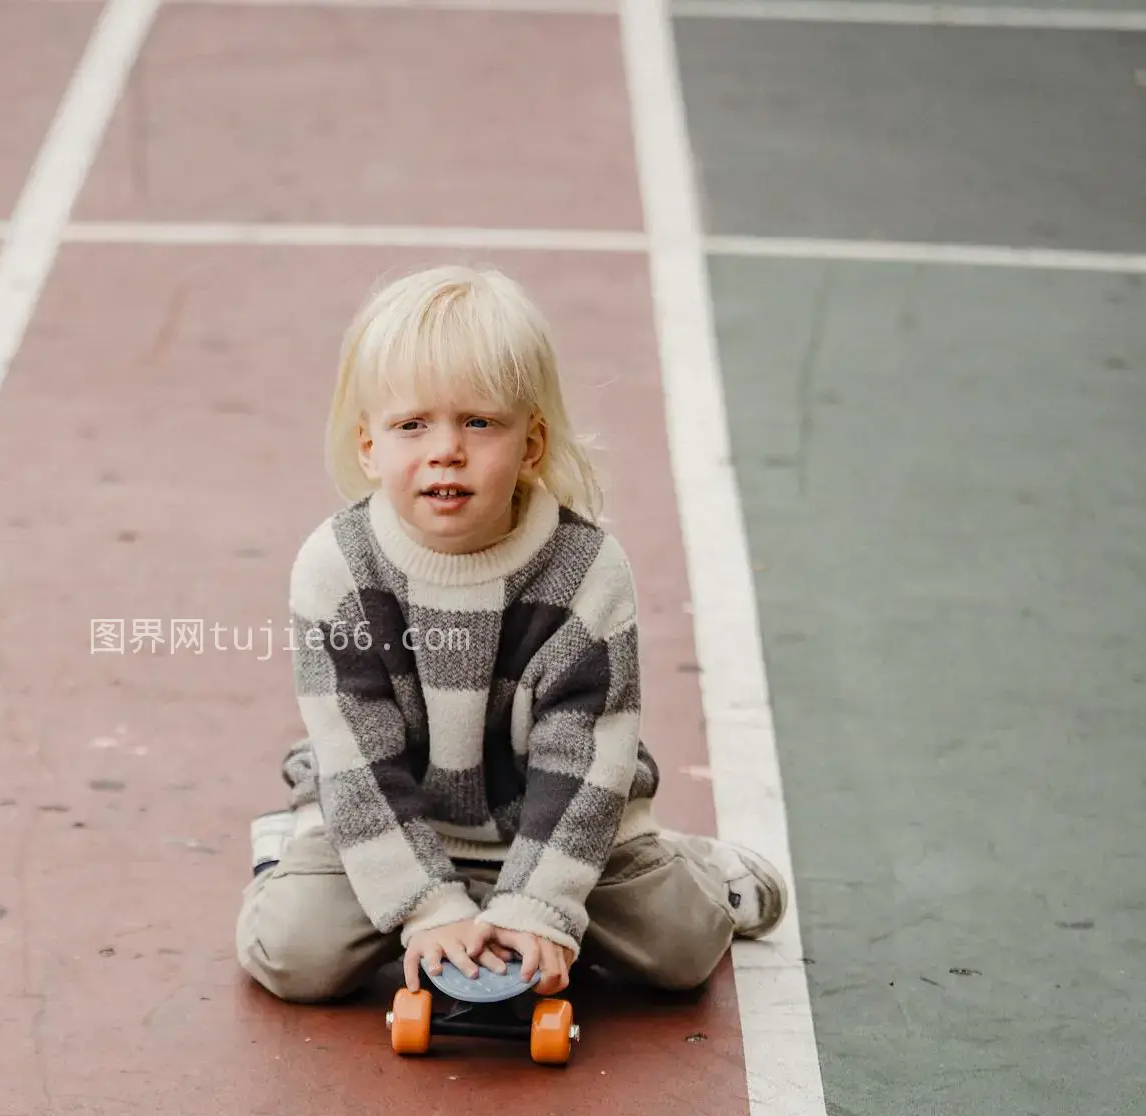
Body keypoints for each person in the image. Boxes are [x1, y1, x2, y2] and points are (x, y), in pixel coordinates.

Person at [236, 263, 786, 1006]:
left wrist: (539, 907)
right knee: (294, 954)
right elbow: (359, 762)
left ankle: (700, 869)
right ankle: (294, 843)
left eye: (479, 422)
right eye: (412, 424)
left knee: (681, 948)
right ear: (368, 445)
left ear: (531, 444)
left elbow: (585, 756)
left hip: (555, 806)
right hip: (396, 804)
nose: (445, 450)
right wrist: (428, 909)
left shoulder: (586, 569)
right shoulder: (336, 569)